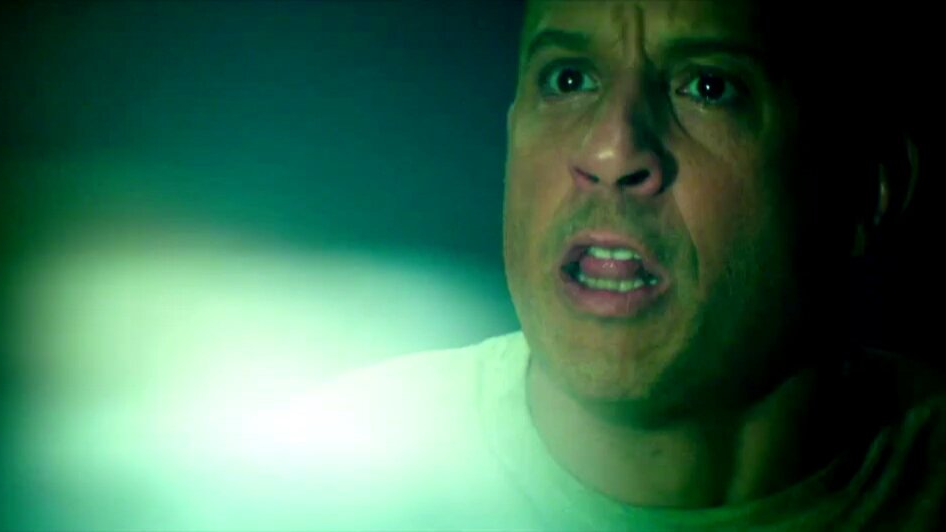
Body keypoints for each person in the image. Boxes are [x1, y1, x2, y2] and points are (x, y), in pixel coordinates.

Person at [208, 1, 944, 530]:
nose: (611, 150)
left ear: (867, 186)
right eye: (568, 80)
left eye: (708, 86)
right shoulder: (317, 485)